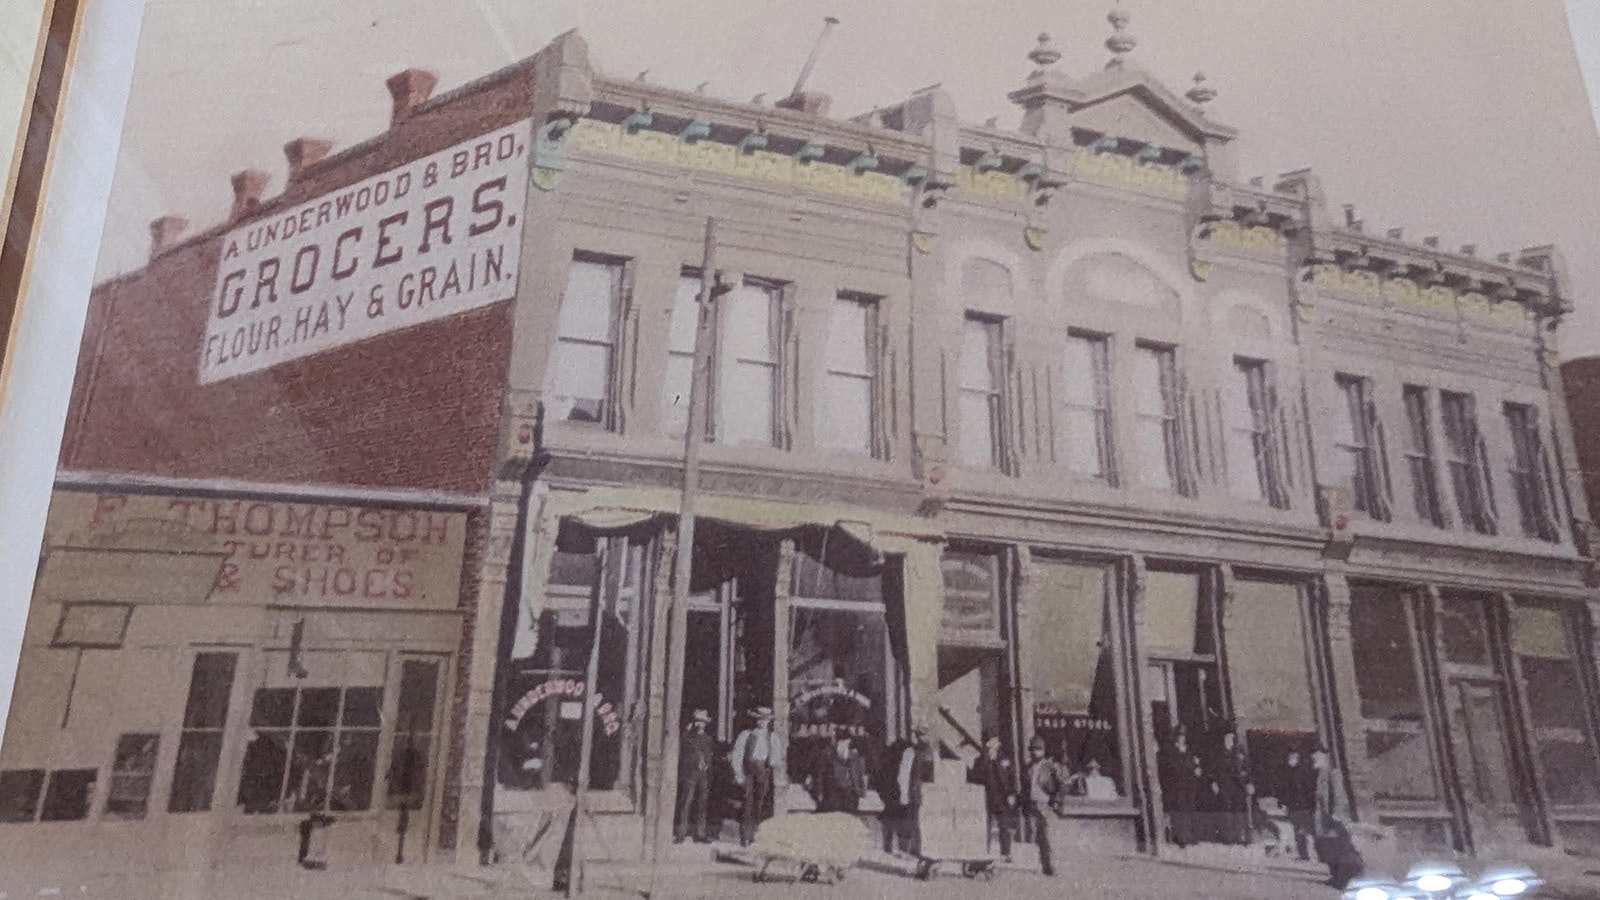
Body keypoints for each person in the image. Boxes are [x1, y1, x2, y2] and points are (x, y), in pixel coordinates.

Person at [731, 706, 785, 846]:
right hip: (748, 772)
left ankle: (757, 835)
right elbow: (737, 754)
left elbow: (778, 757)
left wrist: (772, 761)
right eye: (759, 719)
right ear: (755, 720)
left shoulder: (772, 737)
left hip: (764, 772)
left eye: (765, 720)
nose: (762, 722)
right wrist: (738, 773)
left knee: (760, 803)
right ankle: (745, 836)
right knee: (747, 802)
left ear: (769, 721)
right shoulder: (746, 735)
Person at [1310, 746, 1363, 889]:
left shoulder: (1333, 774)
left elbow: (1338, 796)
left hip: (1333, 820)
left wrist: (1336, 816)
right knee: (1328, 850)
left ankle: (1345, 878)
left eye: (1317, 758)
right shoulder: (1320, 775)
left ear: (1325, 758)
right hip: (1324, 819)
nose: (1313, 760)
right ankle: (1336, 877)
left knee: (1339, 849)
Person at [966, 731, 1018, 861]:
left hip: (1002, 796)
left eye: (994, 741)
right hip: (986, 797)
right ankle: (985, 850)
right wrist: (969, 767)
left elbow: (1012, 777)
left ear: (998, 743)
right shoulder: (981, 760)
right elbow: (974, 777)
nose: (991, 745)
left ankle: (1006, 853)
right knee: (985, 826)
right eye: (988, 742)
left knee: (1004, 826)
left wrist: (1012, 793)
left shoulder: (1005, 759)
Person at [1021, 735, 1063, 877]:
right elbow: (1025, 786)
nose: (1035, 752)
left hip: (1045, 804)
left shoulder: (1050, 767)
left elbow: (1059, 786)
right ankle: (1042, 866)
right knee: (1036, 837)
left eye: (1038, 749)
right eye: (1032, 749)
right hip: (1032, 804)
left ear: (1044, 751)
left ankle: (1051, 866)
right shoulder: (1027, 767)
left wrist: (1055, 802)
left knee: (1047, 837)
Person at [894, 725, 936, 857]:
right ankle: (913, 849)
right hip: (915, 792)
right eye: (921, 735)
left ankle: (925, 848)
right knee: (914, 822)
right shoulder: (910, 752)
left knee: (927, 822)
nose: (924, 738)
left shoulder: (932, 752)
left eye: (925, 735)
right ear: (917, 737)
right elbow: (904, 775)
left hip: (929, 793)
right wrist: (904, 795)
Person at [674, 709, 715, 843]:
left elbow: (709, 757)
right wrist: (688, 730)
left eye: (702, 722)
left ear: (706, 724)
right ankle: (681, 833)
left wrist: (708, 770)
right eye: (697, 721)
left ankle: (700, 833)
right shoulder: (688, 737)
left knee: (702, 804)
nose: (699, 724)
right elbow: (682, 744)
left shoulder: (708, 739)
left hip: (703, 775)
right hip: (690, 775)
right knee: (686, 802)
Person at [1158, 727, 1200, 847]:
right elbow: (1173, 768)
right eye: (1180, 736)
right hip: (1177, 786)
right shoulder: (1170, 752)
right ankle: (1181, 837)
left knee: (1189, 808)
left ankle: (1189, 835)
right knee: (1179, 810)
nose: (1182, 738)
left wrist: (1196, 768)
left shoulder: (1188, 751)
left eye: (1183, 736)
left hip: (1189, 785)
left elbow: (1193, 764)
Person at [812, 734, 868, 813]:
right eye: (841, 743)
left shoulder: (855, 757)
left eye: (846, 743)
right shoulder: (827, 755)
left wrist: (861, 791)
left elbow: (860, 775)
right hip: (832, 795)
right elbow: (819, 776)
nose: (844, 745)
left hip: (851, 796)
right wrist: (818, 793)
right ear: (836, 743)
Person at [1284, 748, 1316, 861]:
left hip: (1302, 806)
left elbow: (1307, 789)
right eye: (1289, 758)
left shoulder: (1302, 772)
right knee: (1298, 831)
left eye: (1292, 758)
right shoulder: (1289, 773)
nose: (1290, 761)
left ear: (1297, 759)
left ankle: (1307, 854)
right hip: (1294, 806)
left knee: (1302, 830)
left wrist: (1308, 803)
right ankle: (1303, 854)